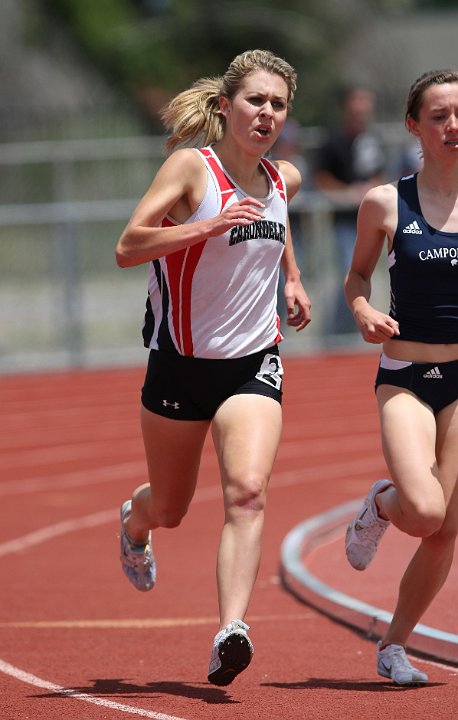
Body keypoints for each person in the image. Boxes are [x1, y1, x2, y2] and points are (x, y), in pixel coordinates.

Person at [115, 49, 311, 687]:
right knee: (170, 507)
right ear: (226, 107)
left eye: (278, 104)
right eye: (256, 100)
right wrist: (204, 229)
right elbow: (128, 246)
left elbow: (274, 229)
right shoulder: (191, 170)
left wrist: (293, 278)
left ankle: (231, 628)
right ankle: (135, 523)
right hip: (178, 365)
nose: (268, 113)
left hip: (253, 362)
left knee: (247, 492)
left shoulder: (284, 179)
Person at [344, 69, 458, 686]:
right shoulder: (387, 202)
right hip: (408, 373)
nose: (453, 126)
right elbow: (356, 277)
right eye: (439, 115)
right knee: (422, 508)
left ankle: (394, 646)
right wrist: (362, 310)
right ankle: (381, 505)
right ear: (414, 126)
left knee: (446, 532)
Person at [313, 85, 385, 336]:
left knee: (365, 276)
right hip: (342, 222)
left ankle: (348, 332)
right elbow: (320, 179)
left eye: (367, 103)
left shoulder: (371, 140)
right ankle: (336, 334)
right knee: (348, 272)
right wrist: (348, 193)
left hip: (369, 223)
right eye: (358, 102)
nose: (363, 109)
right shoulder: (332, 139)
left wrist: (370, 188)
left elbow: (378, 174)